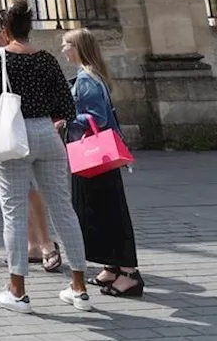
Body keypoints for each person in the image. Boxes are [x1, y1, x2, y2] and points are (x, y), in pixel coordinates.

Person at [0, 0, 93, 314]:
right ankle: (79, 289)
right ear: (29, 28)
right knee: (64, 210)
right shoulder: (47, 59)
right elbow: (67, 107)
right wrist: (50, 123)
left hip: (14, 137)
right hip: (47, 132)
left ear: (7, 29)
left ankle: (17, 291)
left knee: (13, 213)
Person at [60, 28, 145, 298]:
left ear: (79, 48)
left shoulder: (86, 79)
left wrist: (65, 121)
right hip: (99, 159)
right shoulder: (92, 76)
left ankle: (130, 273)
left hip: (94, 158)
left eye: (66, 45)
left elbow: (96, 118)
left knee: (108, 213)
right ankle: (112, 265)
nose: (63, 50)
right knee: (99, 211)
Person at [0, 13, 62, 274]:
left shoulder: (31, 57)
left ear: (6, 32)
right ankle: (32, 247)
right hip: (4, 136)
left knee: (32, 191)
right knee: (15, 196)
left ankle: (45, 245)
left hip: (29, 134)